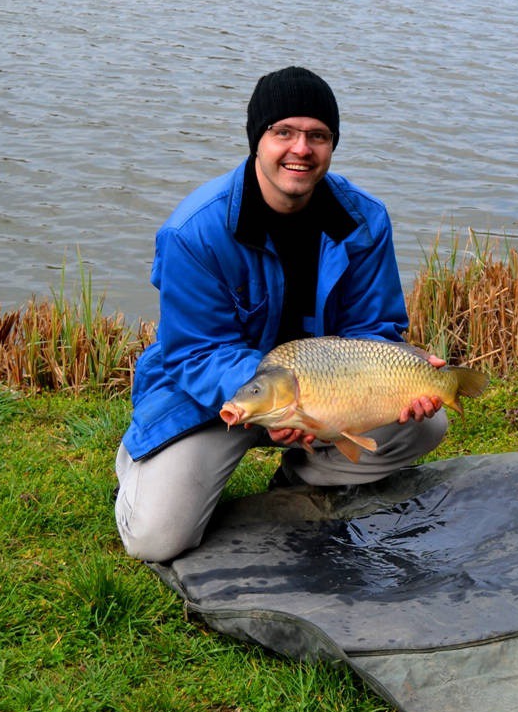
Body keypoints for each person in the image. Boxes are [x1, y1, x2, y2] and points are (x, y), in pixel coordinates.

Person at [114, 66, 448, 562]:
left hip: (326, 395)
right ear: (257, 140)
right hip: (215, 398)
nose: (301, 149)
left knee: (425, 425)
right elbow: (197, 353)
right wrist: (277, 401)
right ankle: (139, 469)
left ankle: (296, 478)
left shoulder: (363, 220)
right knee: (156, 540)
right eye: (283, 132)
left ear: (332, 145)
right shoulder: (194, 232)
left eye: (318, 135)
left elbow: (372, 329)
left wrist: (403, 370)